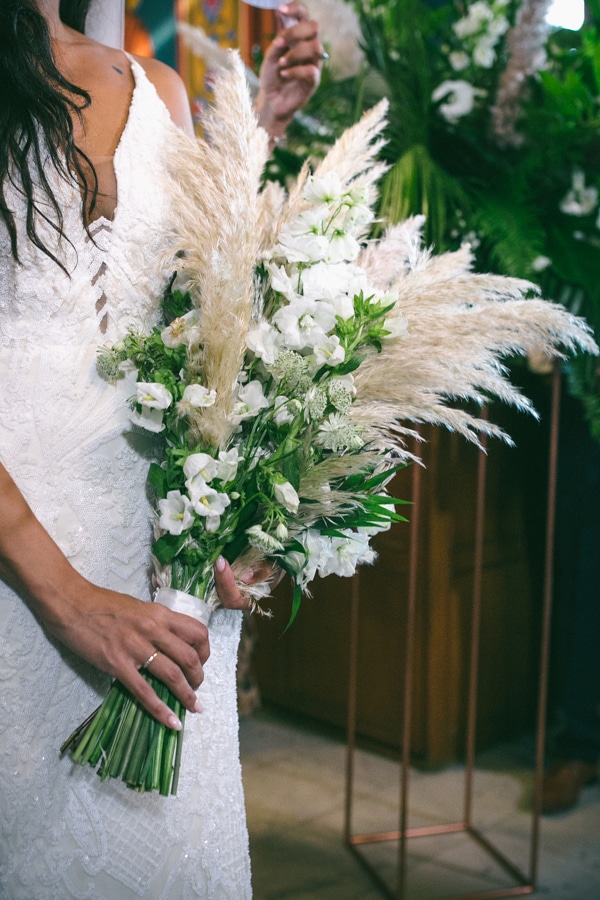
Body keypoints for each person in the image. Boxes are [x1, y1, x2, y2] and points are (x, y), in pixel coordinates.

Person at [0, 1, 324, 896]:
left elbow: (200, 320)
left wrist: (233, 511)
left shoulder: (157, 87)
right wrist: (69, 600)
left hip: (157, 576)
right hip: (21, 569)